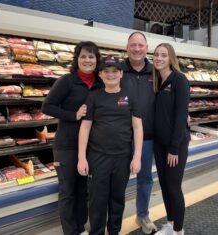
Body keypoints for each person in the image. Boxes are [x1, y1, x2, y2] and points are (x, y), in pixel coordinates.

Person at [42, 41, 103, 235]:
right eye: (83, 56)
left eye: (91, 56)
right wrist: (73, 115)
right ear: (77, 59)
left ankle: (80, 227)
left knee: (83, 190)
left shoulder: (101, 82)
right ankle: (71, 231)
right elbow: (47, 106)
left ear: (97, 60)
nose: (87, 60)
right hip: (67, 145)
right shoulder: (67, 81)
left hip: (91, 147)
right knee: (68, 192)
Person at [77, 55, 143, 235]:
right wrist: (81, 158)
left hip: (122, 158)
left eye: (115, 71)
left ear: (121, 73)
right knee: (97, 201)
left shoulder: (130, 97)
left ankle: (114, 231)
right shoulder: (93, 97)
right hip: (97, 157)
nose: (111, 75)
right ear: (101, 75)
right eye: (107, 71)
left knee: (117, 200)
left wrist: (137, 157)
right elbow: (85, 127)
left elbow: (137, 128)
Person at [121, 31, 157, 234]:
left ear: (146, 48)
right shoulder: (117, 70)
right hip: (121, 137)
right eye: (133, 45)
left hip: (148, 138)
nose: (136, 49)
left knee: (145, 178)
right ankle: (114, 216)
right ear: (127, 48)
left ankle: (142, 214)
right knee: (118, 179)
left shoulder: (156, 71)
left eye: (140, 45)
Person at [152, 43, 190, 235]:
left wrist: (174, 148)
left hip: (176, 144)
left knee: (174, 187)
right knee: (164, 185)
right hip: (159, 143)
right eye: (156, 55)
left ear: (170, 58)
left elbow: (181, 115)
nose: (159, 58)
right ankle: (170, 223)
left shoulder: (179, 80)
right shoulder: (157, 81)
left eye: (163, 55)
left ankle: (178, 230)